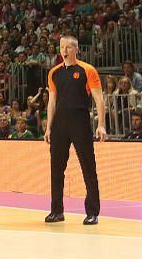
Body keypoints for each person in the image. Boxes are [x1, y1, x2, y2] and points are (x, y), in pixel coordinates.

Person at [44, 35, 107, 225]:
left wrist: (101, 124)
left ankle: (92, 212)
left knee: (88, 167)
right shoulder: (54, 72)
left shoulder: (87, 70)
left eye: (69, 47)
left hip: (80, 120)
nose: (64, 50)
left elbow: (99, 99)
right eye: (62, 47)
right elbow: (52, 102)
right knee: (56, 169)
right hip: (60, 124)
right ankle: (56, 211)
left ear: (76, 49)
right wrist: (48, 127)